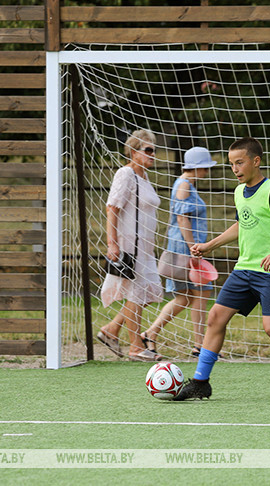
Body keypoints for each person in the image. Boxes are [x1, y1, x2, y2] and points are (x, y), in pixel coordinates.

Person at [175, 137, 270, 402]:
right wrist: (210, 245)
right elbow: (242, 224)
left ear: (256, 161)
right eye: (231, 164)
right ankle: (200, 382)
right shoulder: (239, 192)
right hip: (244, 269)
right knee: (215, 317)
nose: (235, 169)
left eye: (239, 162)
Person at [142, 146, 216, 359]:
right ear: (197, 167)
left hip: (183, 247)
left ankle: (151, 334)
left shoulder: (185, 184)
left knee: (184, 297)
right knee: (201, 292)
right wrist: (194, 248)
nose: (207, 172)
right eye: (205, 168)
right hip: (185, 248)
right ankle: (199, 346)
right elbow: (183, 219)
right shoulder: (184, 185)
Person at [96, 129, 163, 361]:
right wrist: (112, 243)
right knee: (136, 294)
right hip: (129, 246)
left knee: (141, 293)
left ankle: (111, 330)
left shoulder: (144, 177)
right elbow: (112, 208)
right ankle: (136, 347)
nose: (153, 154)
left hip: (145, 248)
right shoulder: (125, 174)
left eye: (154, 150)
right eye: (148, 150)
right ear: (134, 151)